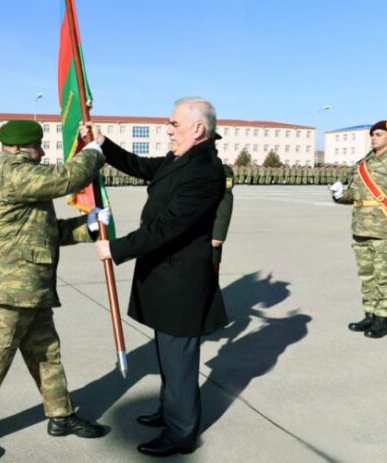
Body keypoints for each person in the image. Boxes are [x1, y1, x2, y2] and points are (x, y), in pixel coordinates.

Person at [0, 119, 109, 463]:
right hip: (5, 294)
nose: (42, 151)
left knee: (47, 355)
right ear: (18, 148)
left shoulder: (24, 177)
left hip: (31, 290)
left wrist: (87, 225)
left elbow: (43, 232)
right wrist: (92, 153)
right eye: (37, 146)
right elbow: (65, 179)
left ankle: (60, 415)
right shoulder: (11, 173)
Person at [81, 97, 227, 457]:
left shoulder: (205, 171)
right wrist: (101, 144)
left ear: (198, 129)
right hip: (166, 275)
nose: (168, 130)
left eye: (174, 124)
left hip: (182, 281)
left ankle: (181, 433)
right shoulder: (182, 160)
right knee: (167, 353)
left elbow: (167, 228)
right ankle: (171, 411)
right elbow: (140, 165)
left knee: (178, 358)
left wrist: (116, 249)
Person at [330, 120, 387, 338]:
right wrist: (340, 195)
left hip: (385, 229)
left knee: (383, 276)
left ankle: (384, 319)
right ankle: (370, 314)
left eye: (379, 134)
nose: (374, 138)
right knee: (367, 276)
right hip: (361, 227)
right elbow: (356, 195)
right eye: (373, 134)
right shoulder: (364, 163)